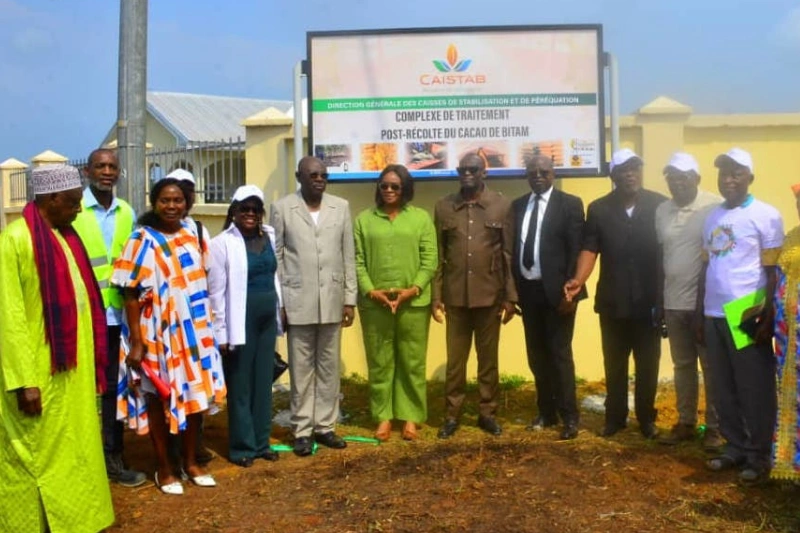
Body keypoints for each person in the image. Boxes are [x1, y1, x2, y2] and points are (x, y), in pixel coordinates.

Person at [0, 165, 115, 532]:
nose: (79, 209)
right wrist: (23, 381)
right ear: (51, 199)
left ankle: (74, 520)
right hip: (37, 374)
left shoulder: (67, 238)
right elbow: (9, 317)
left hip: (72, 375)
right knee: (35, 453)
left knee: (74, 449)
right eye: (73, 202)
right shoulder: (15, 240)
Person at [113, 177, 226, 495]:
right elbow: (129, 293)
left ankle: (190, 463)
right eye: (165, 200)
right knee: (156, 399)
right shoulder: (141, 239)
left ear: (186, 203)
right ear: (155, 202)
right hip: (156, 335)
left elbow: (205, 280)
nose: (172, 206)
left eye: (178, 200)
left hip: (195, 334)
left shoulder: (194, 234)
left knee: (195, 397)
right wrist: (137, 342)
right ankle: (164, 468)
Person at [564, 149, 667, 439]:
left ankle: (646, 419)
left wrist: (666, 297)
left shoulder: (660, 205)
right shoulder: (599, 209)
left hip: (649, 302)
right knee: (614, 363)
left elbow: (668, 251)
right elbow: (590, 248)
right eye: (623, 170)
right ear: (614, 176)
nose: (630, 174)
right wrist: (578, 280)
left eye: (635, 168)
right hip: (612, 301)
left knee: (648, 364)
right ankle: (615, 418)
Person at [700, 148, 783, 485]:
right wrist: (700, 312)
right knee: (723, 387)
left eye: (736, 173)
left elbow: (773, 272)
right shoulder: (712, 216)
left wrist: (768, 316)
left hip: (747, 309)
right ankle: (734, 446)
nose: (728, 180)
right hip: (713, 311)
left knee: (754, 387)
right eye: (724, 173)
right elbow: (707, 265)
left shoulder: (766, 215)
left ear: (751, 178)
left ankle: (759, 455)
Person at [270, 156, 357, 456]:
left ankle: (325, 426)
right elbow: (276, 257)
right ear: (299, 177)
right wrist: (281, 302)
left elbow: (348, 255)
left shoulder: (340, 207)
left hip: (332, 299)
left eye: (323, 175)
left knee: (329, 367)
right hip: (298, 300)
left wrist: (349, 298)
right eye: (313, 175)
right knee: (301, 368)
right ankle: (302, 429)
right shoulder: (283, 208)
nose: (319, 180)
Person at [72, 148, 146, 487]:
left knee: (114, 390)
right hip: (83, 316)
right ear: (87, 171)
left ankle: (112, 459)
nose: (106, 172)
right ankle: (82, 461)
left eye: (112, 167)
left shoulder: (126, 212)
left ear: (118, 173)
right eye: (100, 166)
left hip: (118, 318)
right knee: (83, 391)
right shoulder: (74, 209)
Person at [433, 153, 517, 439]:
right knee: (455, 363)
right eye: (463, 169)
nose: (467, 173)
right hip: (455, 297)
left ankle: (487, 413)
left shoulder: (501, 206)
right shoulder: (444, 206)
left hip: (490, 296)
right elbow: (439, 256)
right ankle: (452, 416)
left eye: (473, 169)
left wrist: (510, 297)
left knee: (488, 361)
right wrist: (436, 296)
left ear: (484, 172)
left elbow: (507, 254)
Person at [354, 164, 437, 441]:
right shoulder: (364, 220)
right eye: (384, 185)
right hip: (375, 304)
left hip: (413, 303)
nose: (389, 190)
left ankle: (411, 417)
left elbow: (430, 260)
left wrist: (413, 290)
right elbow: (358, 261)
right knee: (380, 361)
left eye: (395, 186)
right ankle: (383, 417)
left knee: (412, 361)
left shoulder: (421, 219)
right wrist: (370, 291)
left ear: (405, 189)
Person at [512, 155, 585, 441]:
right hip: (528, 292)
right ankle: (546, 411)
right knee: (537, 355)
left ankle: (569, 416)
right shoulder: (518, 205)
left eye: (544, 172)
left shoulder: (570, 204)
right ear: (526, 175)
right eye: (533, 172)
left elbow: (576, 249)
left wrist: (571, 291)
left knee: (559, 354)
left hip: (559, 294)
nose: (538, 176)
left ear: (553, 173)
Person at [653, 153, 723, 450]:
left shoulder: (713, 207)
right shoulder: (662, 210)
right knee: (682, 365)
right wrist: (661, 302)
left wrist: (701, 307)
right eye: (671, 178)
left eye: (682, 177)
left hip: (704, 306)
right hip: (673, 302)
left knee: (711, 367)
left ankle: (715, 428)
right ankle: (686, 422)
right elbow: (663, 257)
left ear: (697, 178)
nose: (676, 183)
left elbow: (716, 259)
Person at [209, 185, 282, 467]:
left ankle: (262, 443)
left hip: (267, 317)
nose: (250, 213)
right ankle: (242, 447)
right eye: (244, 208)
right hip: (240, 319)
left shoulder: (269, 236)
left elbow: (275, 277)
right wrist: (221, 333)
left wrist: (281, 310)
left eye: (255, 209)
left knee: (263, 380)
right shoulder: (222, 243)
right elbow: (216, 293)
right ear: (234, 211)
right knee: (240, 382)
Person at [163, 167, 214, 465]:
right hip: (168, 327)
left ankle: (194, 444)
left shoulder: (198, 230)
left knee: (197, 385)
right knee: (171, 386)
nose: (178, 200)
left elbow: (208, 274)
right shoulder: (150, 232)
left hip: (196, 323)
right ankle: (172, 450)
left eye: (185, 192)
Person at [772, 182, 800, 482]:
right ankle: (790, 467)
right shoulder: (791, 238)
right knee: (791, 399)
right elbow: (777, 280)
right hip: (790, 340)